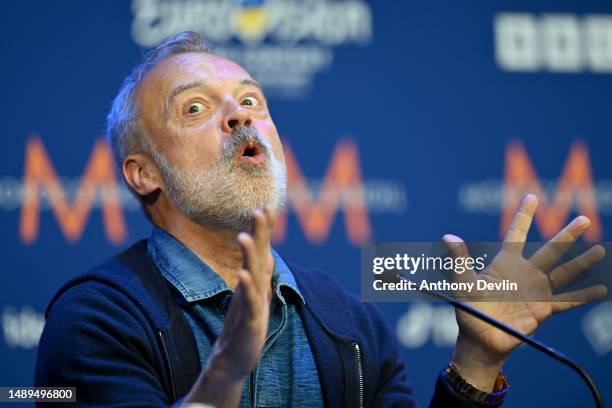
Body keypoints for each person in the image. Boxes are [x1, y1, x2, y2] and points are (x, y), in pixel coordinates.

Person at [35, 31, 606, 407]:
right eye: (195, 109)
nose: (239, 118)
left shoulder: (345, 318)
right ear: (142, 173)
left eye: (251, 101)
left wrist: (477, 361)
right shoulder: (96, 317)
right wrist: (225, 377)